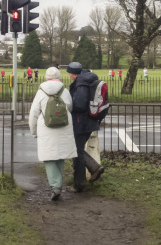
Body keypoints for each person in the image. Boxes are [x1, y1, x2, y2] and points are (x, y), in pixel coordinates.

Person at [29, 67, 77, 201]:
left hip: (46, 128)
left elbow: (34, 113)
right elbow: (70, 107)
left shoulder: (41, 91)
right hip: (63, 126)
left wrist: (34, 131)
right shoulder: (65, 91)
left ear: (46, 77)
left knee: (49, 157)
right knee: (60, 155)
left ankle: (54, 187)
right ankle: (58, 185)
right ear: (59, 76)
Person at [67, 62, 105, 191]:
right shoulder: (88, 79)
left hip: (81, 122)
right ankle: (93, 168)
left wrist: (69, 104)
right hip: (89, 121)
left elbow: (79, 104)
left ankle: (79, 184)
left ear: (73, 73)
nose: (69, 76)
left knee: (76, 151)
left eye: (69, 73)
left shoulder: (81, 83)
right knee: (77, 150)